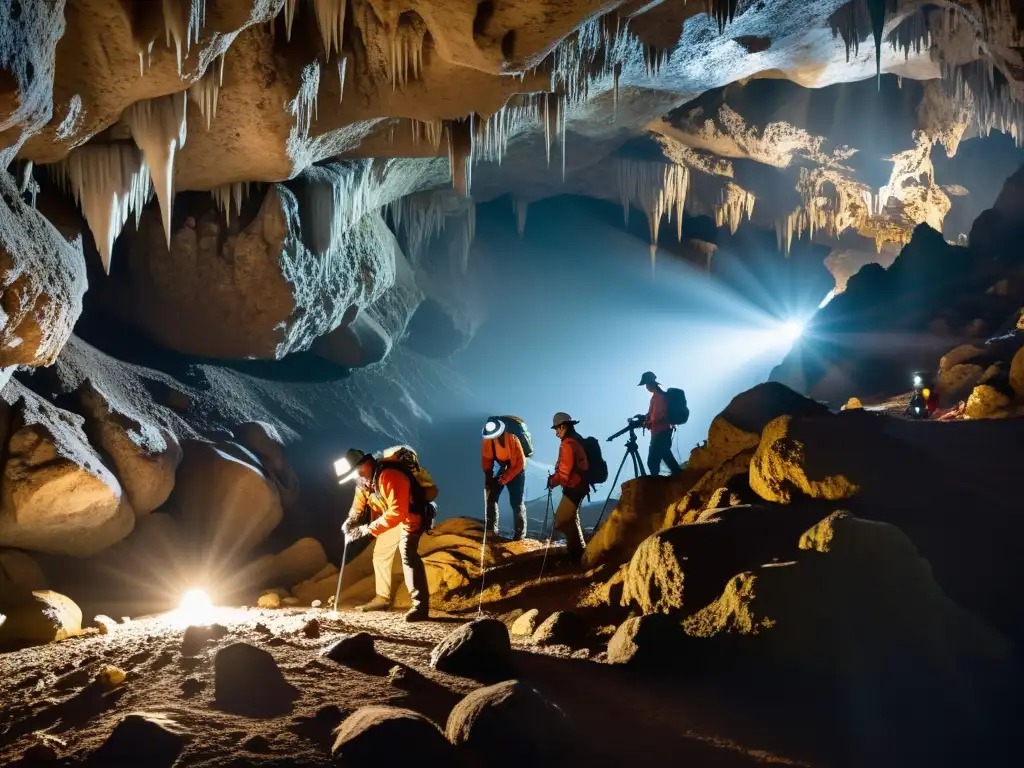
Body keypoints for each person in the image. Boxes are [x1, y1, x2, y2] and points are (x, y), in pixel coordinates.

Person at [337, 448, 431, 622]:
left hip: (411, 516)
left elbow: (398, 512)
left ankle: (420, 606)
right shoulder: (364, 481)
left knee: (407, 554)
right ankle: (382, 598)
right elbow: (358, 506)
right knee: (380, 554)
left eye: (357, 472)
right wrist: (351, 521)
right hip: (392, 517)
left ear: (366, 464)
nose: (357, 477)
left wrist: (367, 529)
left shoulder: (390, 476)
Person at [546, 412, 588, 562]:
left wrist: (552, 481)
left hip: (574, 488)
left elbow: (564, 473)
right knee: (571, 518)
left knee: (562, 520)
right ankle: (580, 552)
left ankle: (577, 553)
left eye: (557, 429)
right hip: (580, 486)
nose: (556, 433)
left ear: (563, 426)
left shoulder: (568, 444)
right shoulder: (576, 440)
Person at [481, 417, 527, 540]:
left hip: (517, 470)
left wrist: (506, 477)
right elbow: (487, 460)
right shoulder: (488, 440)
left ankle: (519, 534)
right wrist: (488, 477)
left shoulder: (512, 439)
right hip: (501, 467)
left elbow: (520, 464)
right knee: (491, 497)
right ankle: (491, 529)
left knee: (516, 502)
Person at [639, 371, 681, 476]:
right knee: (666, 456)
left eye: (646, 384)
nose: (646, 387)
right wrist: (644, 418)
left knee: (652, 462)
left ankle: (658, 487)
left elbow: (657, 417)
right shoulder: (655, 397)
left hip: (661, 432)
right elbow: (652, 415)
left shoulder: (659, 396)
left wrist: (646, 422)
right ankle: (680, 478)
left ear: (651, 383)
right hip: (661, 432)